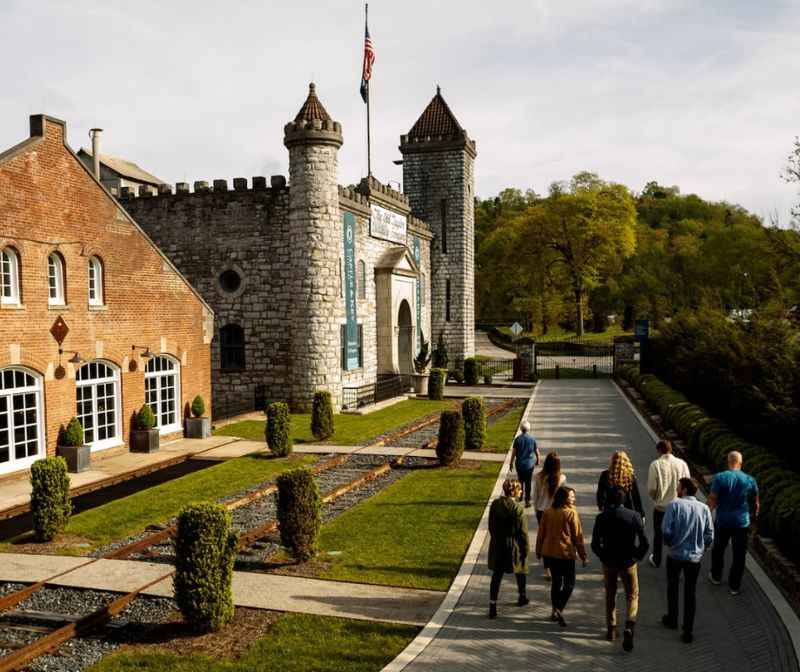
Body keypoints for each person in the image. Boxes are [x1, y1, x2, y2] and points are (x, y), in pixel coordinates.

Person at [591, 486, 649, 652]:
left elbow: (595, 544)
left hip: (609, 562)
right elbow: (645, 542)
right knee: (632, 594)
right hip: (628, 562)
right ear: (624, 500)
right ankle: (629, 625)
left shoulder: (602, 517)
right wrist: (636, 556)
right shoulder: (634, 516)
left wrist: (603, 556)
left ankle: (611, 629)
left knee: (610, 593)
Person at [661, 477, 714, 644]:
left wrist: (670, 543)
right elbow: (709, 534)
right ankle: (688, 630)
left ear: (684, 490)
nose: (677, 489)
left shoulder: (674, 505)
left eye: (678, 486)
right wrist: (702, 548)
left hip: (675, 555)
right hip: (694, 558)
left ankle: (672, 618)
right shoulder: (704, 508)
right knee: (690, 593)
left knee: (672, 587)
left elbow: (666, 530)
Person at [708, 450, 760, 596]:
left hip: (723, 521)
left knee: (718, 549)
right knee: (739, 554)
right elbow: (756, 504)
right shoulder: (750, 480)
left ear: (728, 461)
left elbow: (712, 498)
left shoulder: (720, 477)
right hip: (741, 523)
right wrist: (754, 521)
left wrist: (706, 515)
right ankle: (734, 586)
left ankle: (716, 576)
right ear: (741, 463)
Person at [536, 486, 587, 628]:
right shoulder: (571, 513)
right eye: (572, 496)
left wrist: (539, 550)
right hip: (565, 554)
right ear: (564, 498)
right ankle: (559, 608)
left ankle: (554, 610)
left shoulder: (547, 512)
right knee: (569, 583)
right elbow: (578, 536)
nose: (574, 499)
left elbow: (541, 533)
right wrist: (583, 555)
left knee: (556, 583)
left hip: (550, 553)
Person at [487, 478, 530, 619]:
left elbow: (491, 526)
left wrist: (495, 538)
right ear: (515, 491)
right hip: (514, 545)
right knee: (520, 569)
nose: (521, 491)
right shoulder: (518, 509)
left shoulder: (495, 504)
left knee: (497, 575)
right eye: (520, 489)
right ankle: (522, 596)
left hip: (498, 544)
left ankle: (492, 605)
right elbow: (523, 533)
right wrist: (525, 549)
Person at [647, 439, 690, 568]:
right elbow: (688, 483)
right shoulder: (682, 463)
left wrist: (656, 498)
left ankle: (657, 559)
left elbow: (652, 489)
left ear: (659, 450)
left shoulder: (655, 464)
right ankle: (679, 558)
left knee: (658, 534)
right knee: (679, 533)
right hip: (679, 506)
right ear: (671, 450)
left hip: (661, 508)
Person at [597, 451, 645, 520]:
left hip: (610, 512)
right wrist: (641, 514)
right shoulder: (630, 477)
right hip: (628, 513)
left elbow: (601, 495)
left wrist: (601, 507)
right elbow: (636, 497)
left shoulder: (605, 475)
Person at [511, 420, 540, 507]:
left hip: (519, 464)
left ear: (521, 428)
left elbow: (514, 453)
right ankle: (527, 500)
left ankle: (519, 497)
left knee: (520, 481)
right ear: (528, 429)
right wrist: (538, 460)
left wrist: (510, 463)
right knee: (528, 482)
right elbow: (537, 451)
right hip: (529, 465)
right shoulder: (532, 439)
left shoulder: (517, 440)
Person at [532, 452, 566, 525]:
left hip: (541, 511)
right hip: (556, 512)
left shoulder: (538, 477)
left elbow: (535, 496)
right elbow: (563, 498)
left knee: (543, 535)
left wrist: (536, 510)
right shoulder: (562, 478)